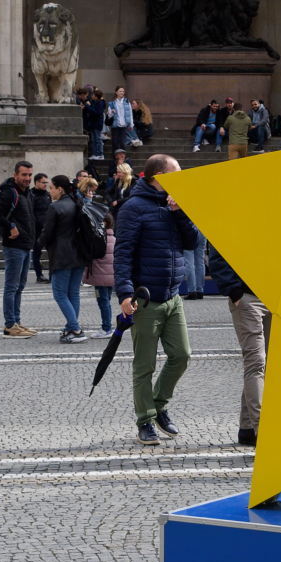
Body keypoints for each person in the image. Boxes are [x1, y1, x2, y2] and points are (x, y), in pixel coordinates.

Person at [114, 154, 197, 445]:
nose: (181, 177)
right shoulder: (133, 208)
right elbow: (123, 253)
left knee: (181, 355)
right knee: (144, 365)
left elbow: (192, 242)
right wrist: (125, 293)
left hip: (173, 296)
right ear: (159, 177)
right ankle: (145, 420)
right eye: (176, 172)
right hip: (146, 299)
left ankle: (159, 405)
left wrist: (180, 213)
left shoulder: (175, 204)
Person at [206, 241, 269, 446]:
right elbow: (218, 250)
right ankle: (262, 430)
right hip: (247, 298)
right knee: (256, 362)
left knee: (267, 364)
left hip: (273, 297)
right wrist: (233, 290)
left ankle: (247, 428)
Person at [0, 161, 39, 339]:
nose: (27, 178)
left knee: (20, 286)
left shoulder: (27, 193)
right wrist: (10, 225)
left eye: (29, 175)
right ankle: (10, 325)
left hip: (25, 245)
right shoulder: (9, 193)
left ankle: (16, 321)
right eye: (24, 175)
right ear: (15, 175)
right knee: (11, 287)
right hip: (14, 246)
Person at [39, 175, 90, 344]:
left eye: (52, 188)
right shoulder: (77, 203)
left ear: (60, 189)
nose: (50, 191)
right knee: (73, 293)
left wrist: (38, 244)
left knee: (60, 294)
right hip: (79, 253)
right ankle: (70, 327)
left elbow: (47, 232)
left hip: (62, 255)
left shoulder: (55, 207)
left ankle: (76, 329)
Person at [83, 212, 117, 340]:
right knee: (106, 301)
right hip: (110, 277)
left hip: (100, 278)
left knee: (103, 302)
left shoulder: (99, 239)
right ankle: (107, 327)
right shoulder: (114, 239)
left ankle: (106, 328)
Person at [29, 172, 51, 284]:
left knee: (52, 252)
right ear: (36, 182)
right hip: (36, 229)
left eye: (46, 182)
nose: (45, 185)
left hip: (48, 228)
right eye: (43, 182)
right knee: (37, 253)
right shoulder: (31, 194)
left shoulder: (47, 194)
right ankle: (39, 275)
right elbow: (30, 212)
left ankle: (52, 274)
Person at [106, 86, 135, 155]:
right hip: (115, 125)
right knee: (115, 143)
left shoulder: (127, 102)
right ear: (116, 92)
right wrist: (111, 112)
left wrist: (131, 124)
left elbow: (130, 113)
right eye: (120, 91)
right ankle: (115, 158)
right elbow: (109, 116)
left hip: (124, 125)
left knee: (122, 143)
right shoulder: (112, 103)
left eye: (123, 91)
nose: (122, 93)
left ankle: (122, 158)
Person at [182, 220, 206, 299]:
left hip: (189, 229)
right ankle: (200, 291)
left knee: (189, 261)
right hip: (202, 228)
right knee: (200, 261)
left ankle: (192, 291)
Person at [83, 88, 107, 160]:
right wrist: (87, 106)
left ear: (96, 96)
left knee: (97, 139)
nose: (92, 96)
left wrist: (87, 106)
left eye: (93, 95)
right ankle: (95, 154)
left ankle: (100, 154)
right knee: (94, 140)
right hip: (93, 124)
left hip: (97, 124)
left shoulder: (100, 103)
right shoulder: (94, 102)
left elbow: (96, 112)